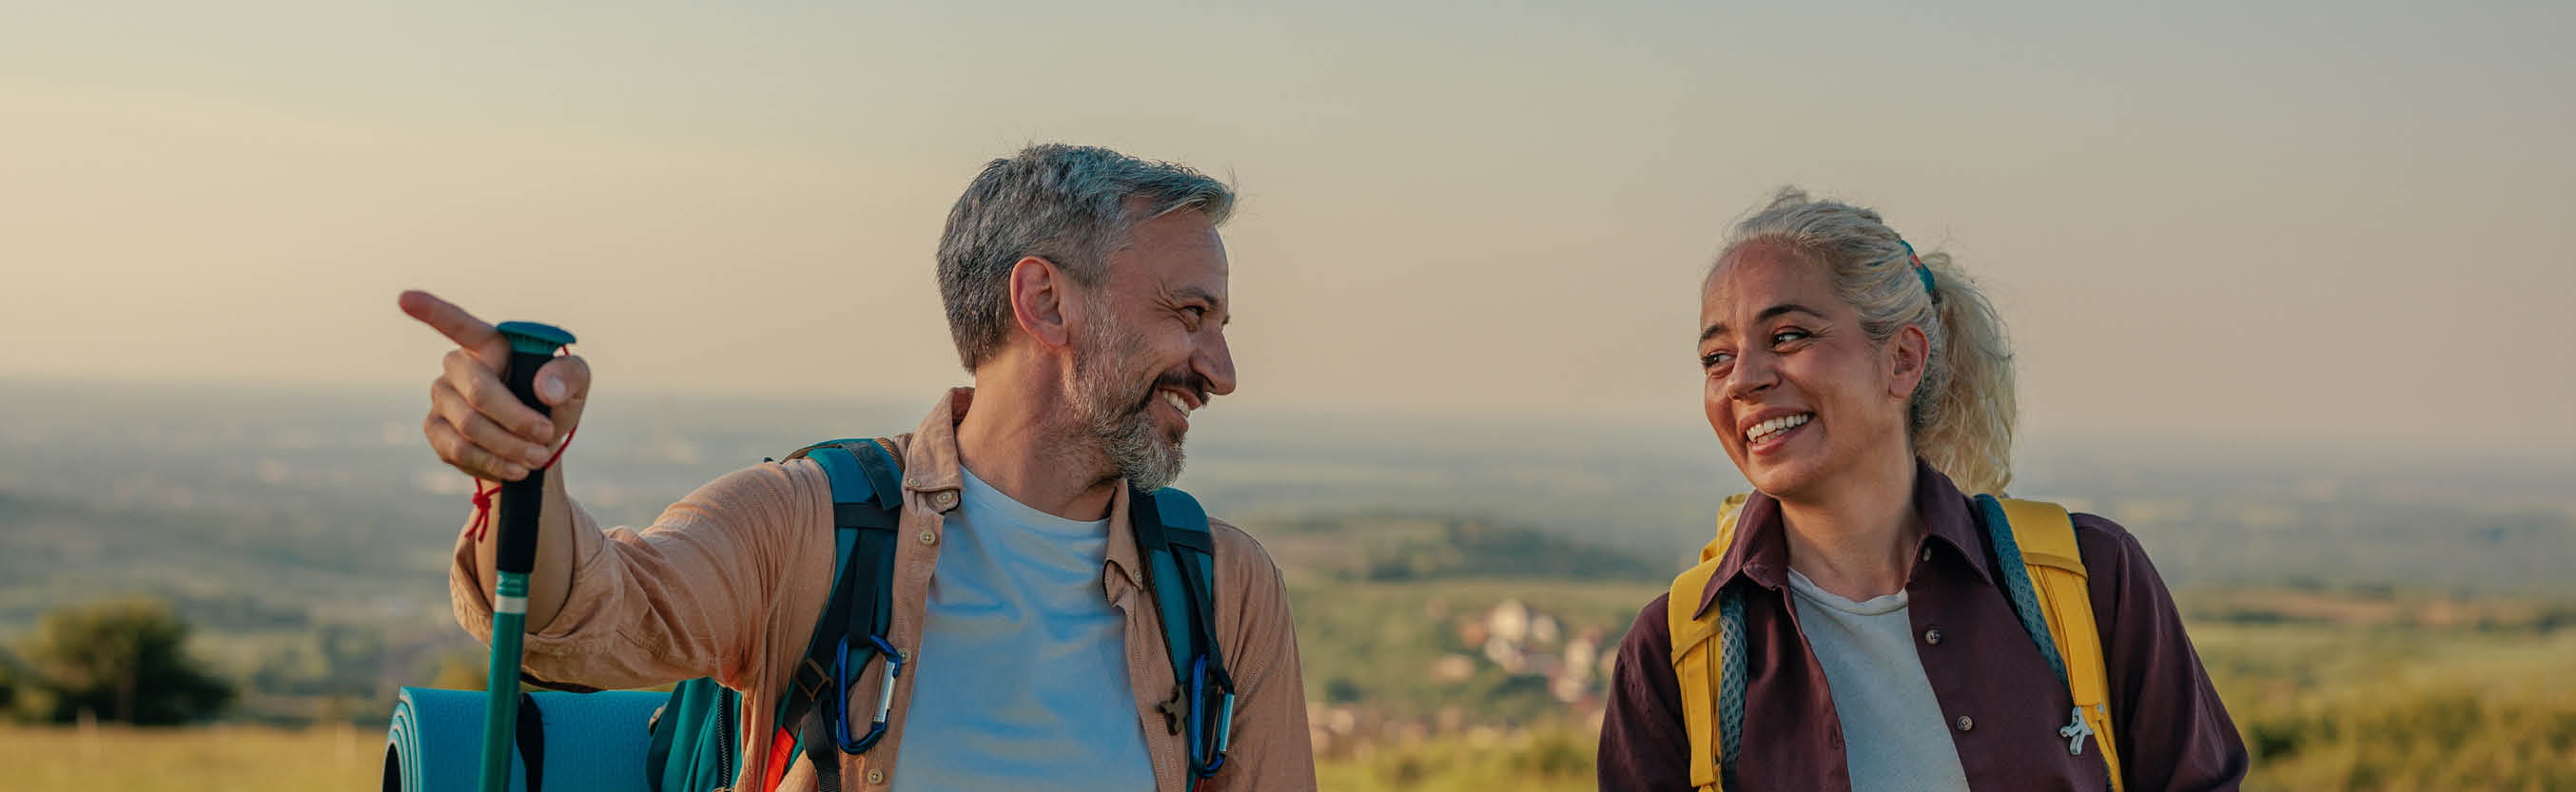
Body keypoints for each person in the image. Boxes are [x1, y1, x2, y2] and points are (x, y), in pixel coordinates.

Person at [402, 144, 1316, 792]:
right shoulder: (808, 524)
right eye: (1191, 313)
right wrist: (526, 468)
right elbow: (584, 614)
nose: (1221, 371)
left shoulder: (1223, 587)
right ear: (1044, 301)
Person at [1597, 188, 2248, 791]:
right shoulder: (1676, 651)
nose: (1742, 379)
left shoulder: (2092, 578)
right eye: (1717, 357)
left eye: (1788, 336)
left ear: (1903, 359)